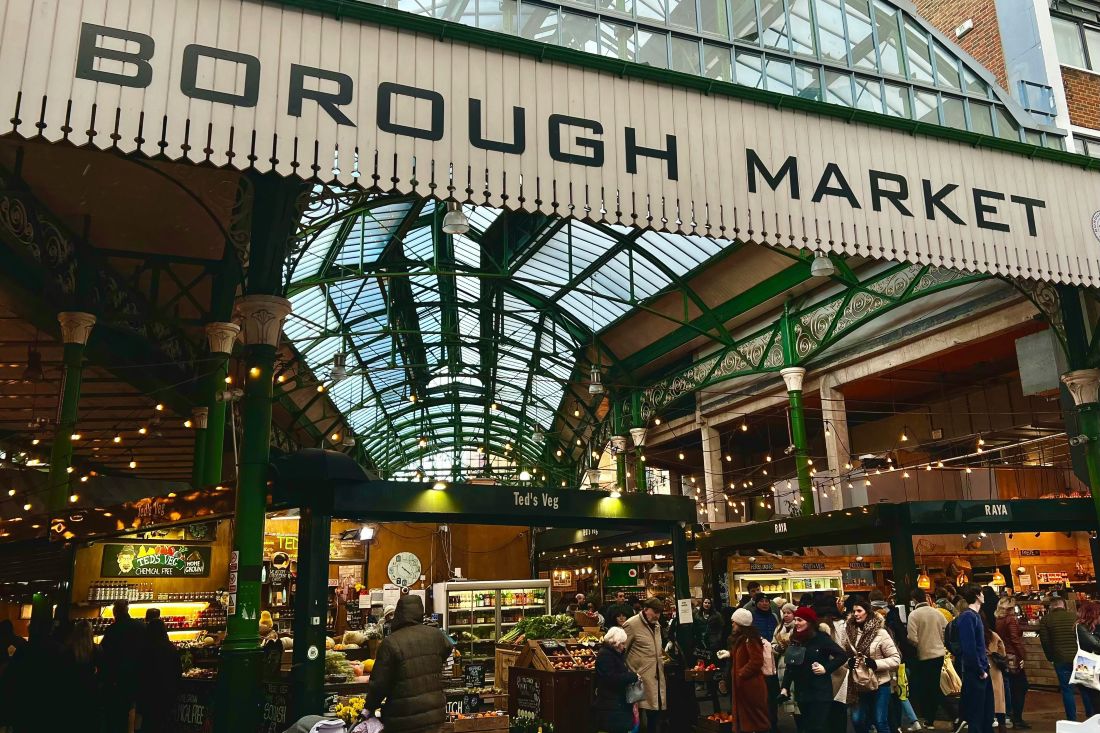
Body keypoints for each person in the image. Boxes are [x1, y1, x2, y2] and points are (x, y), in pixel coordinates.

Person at [364, 595, 453, 732]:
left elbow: (379, 684)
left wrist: (369, 707)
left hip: (403, 716)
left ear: (399, 613)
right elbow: (449, 648)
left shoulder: (391, 642)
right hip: (435, 713)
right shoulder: (436, 635)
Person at [779, 607, 849, 733]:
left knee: (818, 727)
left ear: (810, 622)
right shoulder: (796, 639)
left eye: (800, 620)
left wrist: (825, 668)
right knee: (807, 727)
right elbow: (791, 666)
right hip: (802, 693)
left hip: (820, 692)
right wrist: (785, 688)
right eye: (795, 620)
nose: (796, 623)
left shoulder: (821, 638)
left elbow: (842, 655)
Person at [842, 599, 900, 733]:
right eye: (854, 611)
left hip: (880, 683)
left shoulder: (881, 632)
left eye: (859, 611)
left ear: (867, 613)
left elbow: (895, 659)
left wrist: (876, 664)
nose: (856, 614)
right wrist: (848, 663)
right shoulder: (849, 633)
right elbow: (842, 656)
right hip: (858, 683)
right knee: (857, 720)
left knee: (880, 721)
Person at [1039, 594, 1088, 721]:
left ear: (1051, 607)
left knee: (1067, 690)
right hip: (1079, 658)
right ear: (1063, 605)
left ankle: (1072, 720)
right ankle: (1091, 716)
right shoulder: (1074, 617)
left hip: (1060, 659)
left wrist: (1050, 657)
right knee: (1085, 688)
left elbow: (1045, 641)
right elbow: (1083, 636)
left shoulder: (1046, 620)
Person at [100, 598, 146, 733]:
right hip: (136, 676)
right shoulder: (140, 627)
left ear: (115, 612)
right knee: (133, 711)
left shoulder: (112, 630)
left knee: (116, 715)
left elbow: (104, 654)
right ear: (127, 610)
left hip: (116, 679)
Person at [624, 597, 667, 732]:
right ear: (645, 609)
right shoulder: (631, 624)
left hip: (656, 676)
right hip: (638, 680)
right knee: (638, 717)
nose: (657, 616)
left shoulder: (657, 624)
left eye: (659, 613)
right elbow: (621, 650)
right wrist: (630, 673)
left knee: (654, 714)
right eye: (655, 612)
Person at [908, 587, 949, 729]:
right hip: (939, 654)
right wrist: (940, 641)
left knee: (928, 688)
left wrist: (919, 643)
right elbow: (947, 630)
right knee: (934, 686)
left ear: (914, 600)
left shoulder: (914, 615)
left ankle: (951, 714)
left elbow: (912, 638)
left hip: (924, 655)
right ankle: (931, 719)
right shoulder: (936, 613)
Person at [956, 586, 993, 733]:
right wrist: (980, 670)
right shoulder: (968, 617)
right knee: (977, 714)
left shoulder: (974, 616)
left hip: (981, 669)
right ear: (978, 595)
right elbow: (969, 647)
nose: (984, 596)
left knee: (986, 712)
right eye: (982, 593)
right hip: (976, 672)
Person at [729, 608, 772, 733]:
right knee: (750, 718)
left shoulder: (750, 639)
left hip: (750, 685)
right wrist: (729, 654)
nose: (732, 624)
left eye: (734, 622)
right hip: (745, 685)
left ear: (741, 623)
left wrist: (741, 673)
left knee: (755, 719)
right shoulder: (744, 638)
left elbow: (756, 661)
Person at [137, 618, 181, 732]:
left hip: (149, 695)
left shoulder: (145, 648)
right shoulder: (170, 648)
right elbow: (178, 671)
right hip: (167, 694)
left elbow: (141, 671)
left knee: (149, 724)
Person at [594, 627, 639, 733]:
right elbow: (611, 678)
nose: (624, 647)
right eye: (622, 644)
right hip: (611, 703)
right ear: (615, 643)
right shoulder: (606, 655)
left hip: (615, 703)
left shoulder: (613, 654)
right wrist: (632, 676)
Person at [994, 597, 1030, 729]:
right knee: (1021, 687)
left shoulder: (999, 619)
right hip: (1013, 655)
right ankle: (1018, 719)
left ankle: (1011, 716)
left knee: (1011, 687)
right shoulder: (1011, 620)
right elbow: (1015, 640)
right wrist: (1022, 657)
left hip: (1004, 655)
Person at [1076, 601, 1100, 716]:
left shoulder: (1094, 627)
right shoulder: (1080, 627)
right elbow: (1096, 644)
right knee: (1094, 697)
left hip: (1092, 665)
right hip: (1087, 664)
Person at [985, 622, 1008, 730]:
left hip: (981, 668)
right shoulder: (992, 634)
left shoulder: (973, 634)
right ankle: (1001, 722)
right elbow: (1002, 652)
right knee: (999, 697)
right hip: (994, 668)